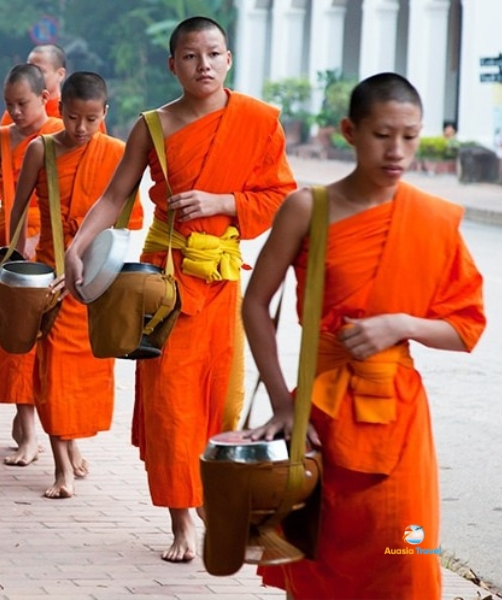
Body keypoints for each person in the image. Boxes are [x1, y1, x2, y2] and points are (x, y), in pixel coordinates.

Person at [63, 16, 296, 562]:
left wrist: (223, 203)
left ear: (229, 59)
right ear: (173, 65)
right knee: (170, 406)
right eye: (191, 57)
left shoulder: (258, 121)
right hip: (163, 284)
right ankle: (181, 520)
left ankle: (218, 507)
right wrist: (77, 246)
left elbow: (281, 195)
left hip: (221, 280)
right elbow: (116, 194)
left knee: (221, 401)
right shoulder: (154, 126)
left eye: (214, 54)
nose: (204, 65)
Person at [245, 73, 485, 599]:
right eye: (383, 135)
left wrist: (402, 326)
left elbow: (466, 329)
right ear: (350, 131)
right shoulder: (309, 209)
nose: (397, 150)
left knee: (406, 563)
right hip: (320, 419)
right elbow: (255, 304)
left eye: (410, 136)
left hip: (399, 425)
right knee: (319, 563)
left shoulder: (433, 220)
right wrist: (285, 403)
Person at [9, 72, 143, 498]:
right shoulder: (40, 150)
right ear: (58, 110)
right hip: (51, 281)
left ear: (105, 113)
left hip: (96, 281)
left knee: (83, 377)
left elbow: (128, 221)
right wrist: (13, 261)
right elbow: (16, 212)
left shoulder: (118, 153)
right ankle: (61, 466)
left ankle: (71, 442)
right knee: (53, 375)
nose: (80, 128)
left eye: (90, 119)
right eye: (71, 117)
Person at [0, 64, 64, 466]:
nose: (15, 112)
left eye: (22, 103)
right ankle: (27, 430)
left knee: (58, 348)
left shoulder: (64, 132)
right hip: (13, 251)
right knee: (16, 343)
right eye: (9, 104)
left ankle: (62, 435)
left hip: (56, 248)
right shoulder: (1, 139)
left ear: (44, 98)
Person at [0, 45, 67, 125]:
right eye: (28, 70)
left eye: (40, 70)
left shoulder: (68, 114)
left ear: (60, 74)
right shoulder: (16, 112)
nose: (32, 76)